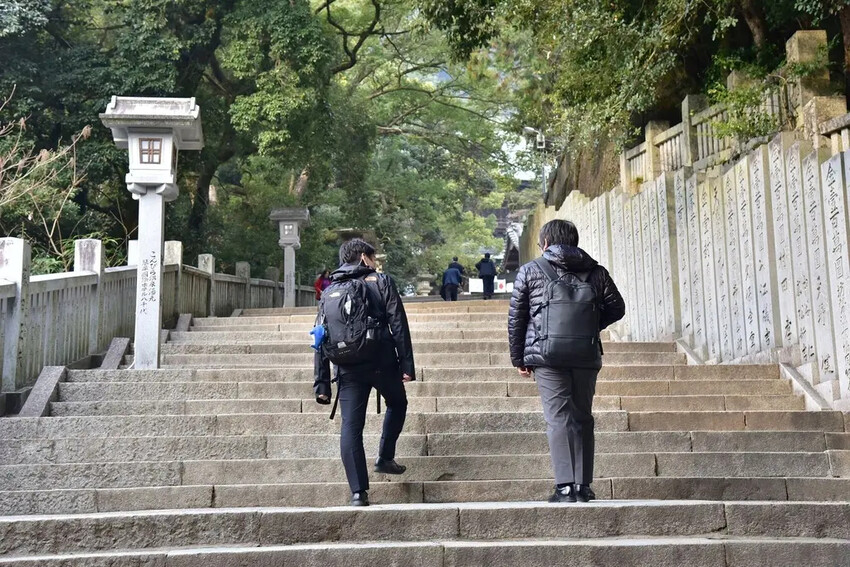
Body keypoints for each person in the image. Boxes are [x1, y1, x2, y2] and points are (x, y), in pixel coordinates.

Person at [508, 219, 625, 504]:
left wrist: (518, 358)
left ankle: (564, 487)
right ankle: (583, 487)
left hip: (547, 356)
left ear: (546, 243)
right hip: (585, 354)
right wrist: (586, 328)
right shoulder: (596, 272)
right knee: (583, 417)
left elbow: (517, 318)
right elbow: (617, 309)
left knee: (558, 417)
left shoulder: (531, 270)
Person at [314, 239, 415, 507]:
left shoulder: (331, 289)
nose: (374, 262)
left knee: (351, 427)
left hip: (346, 366)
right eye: (372, 257)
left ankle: (358, 492)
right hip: (381, 359)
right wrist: (407, 365)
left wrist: (322, 383)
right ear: (362, 257)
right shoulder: (380, 281)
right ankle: (384, 457)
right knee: (398, 402)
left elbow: (319, 336)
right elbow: (398, 323)